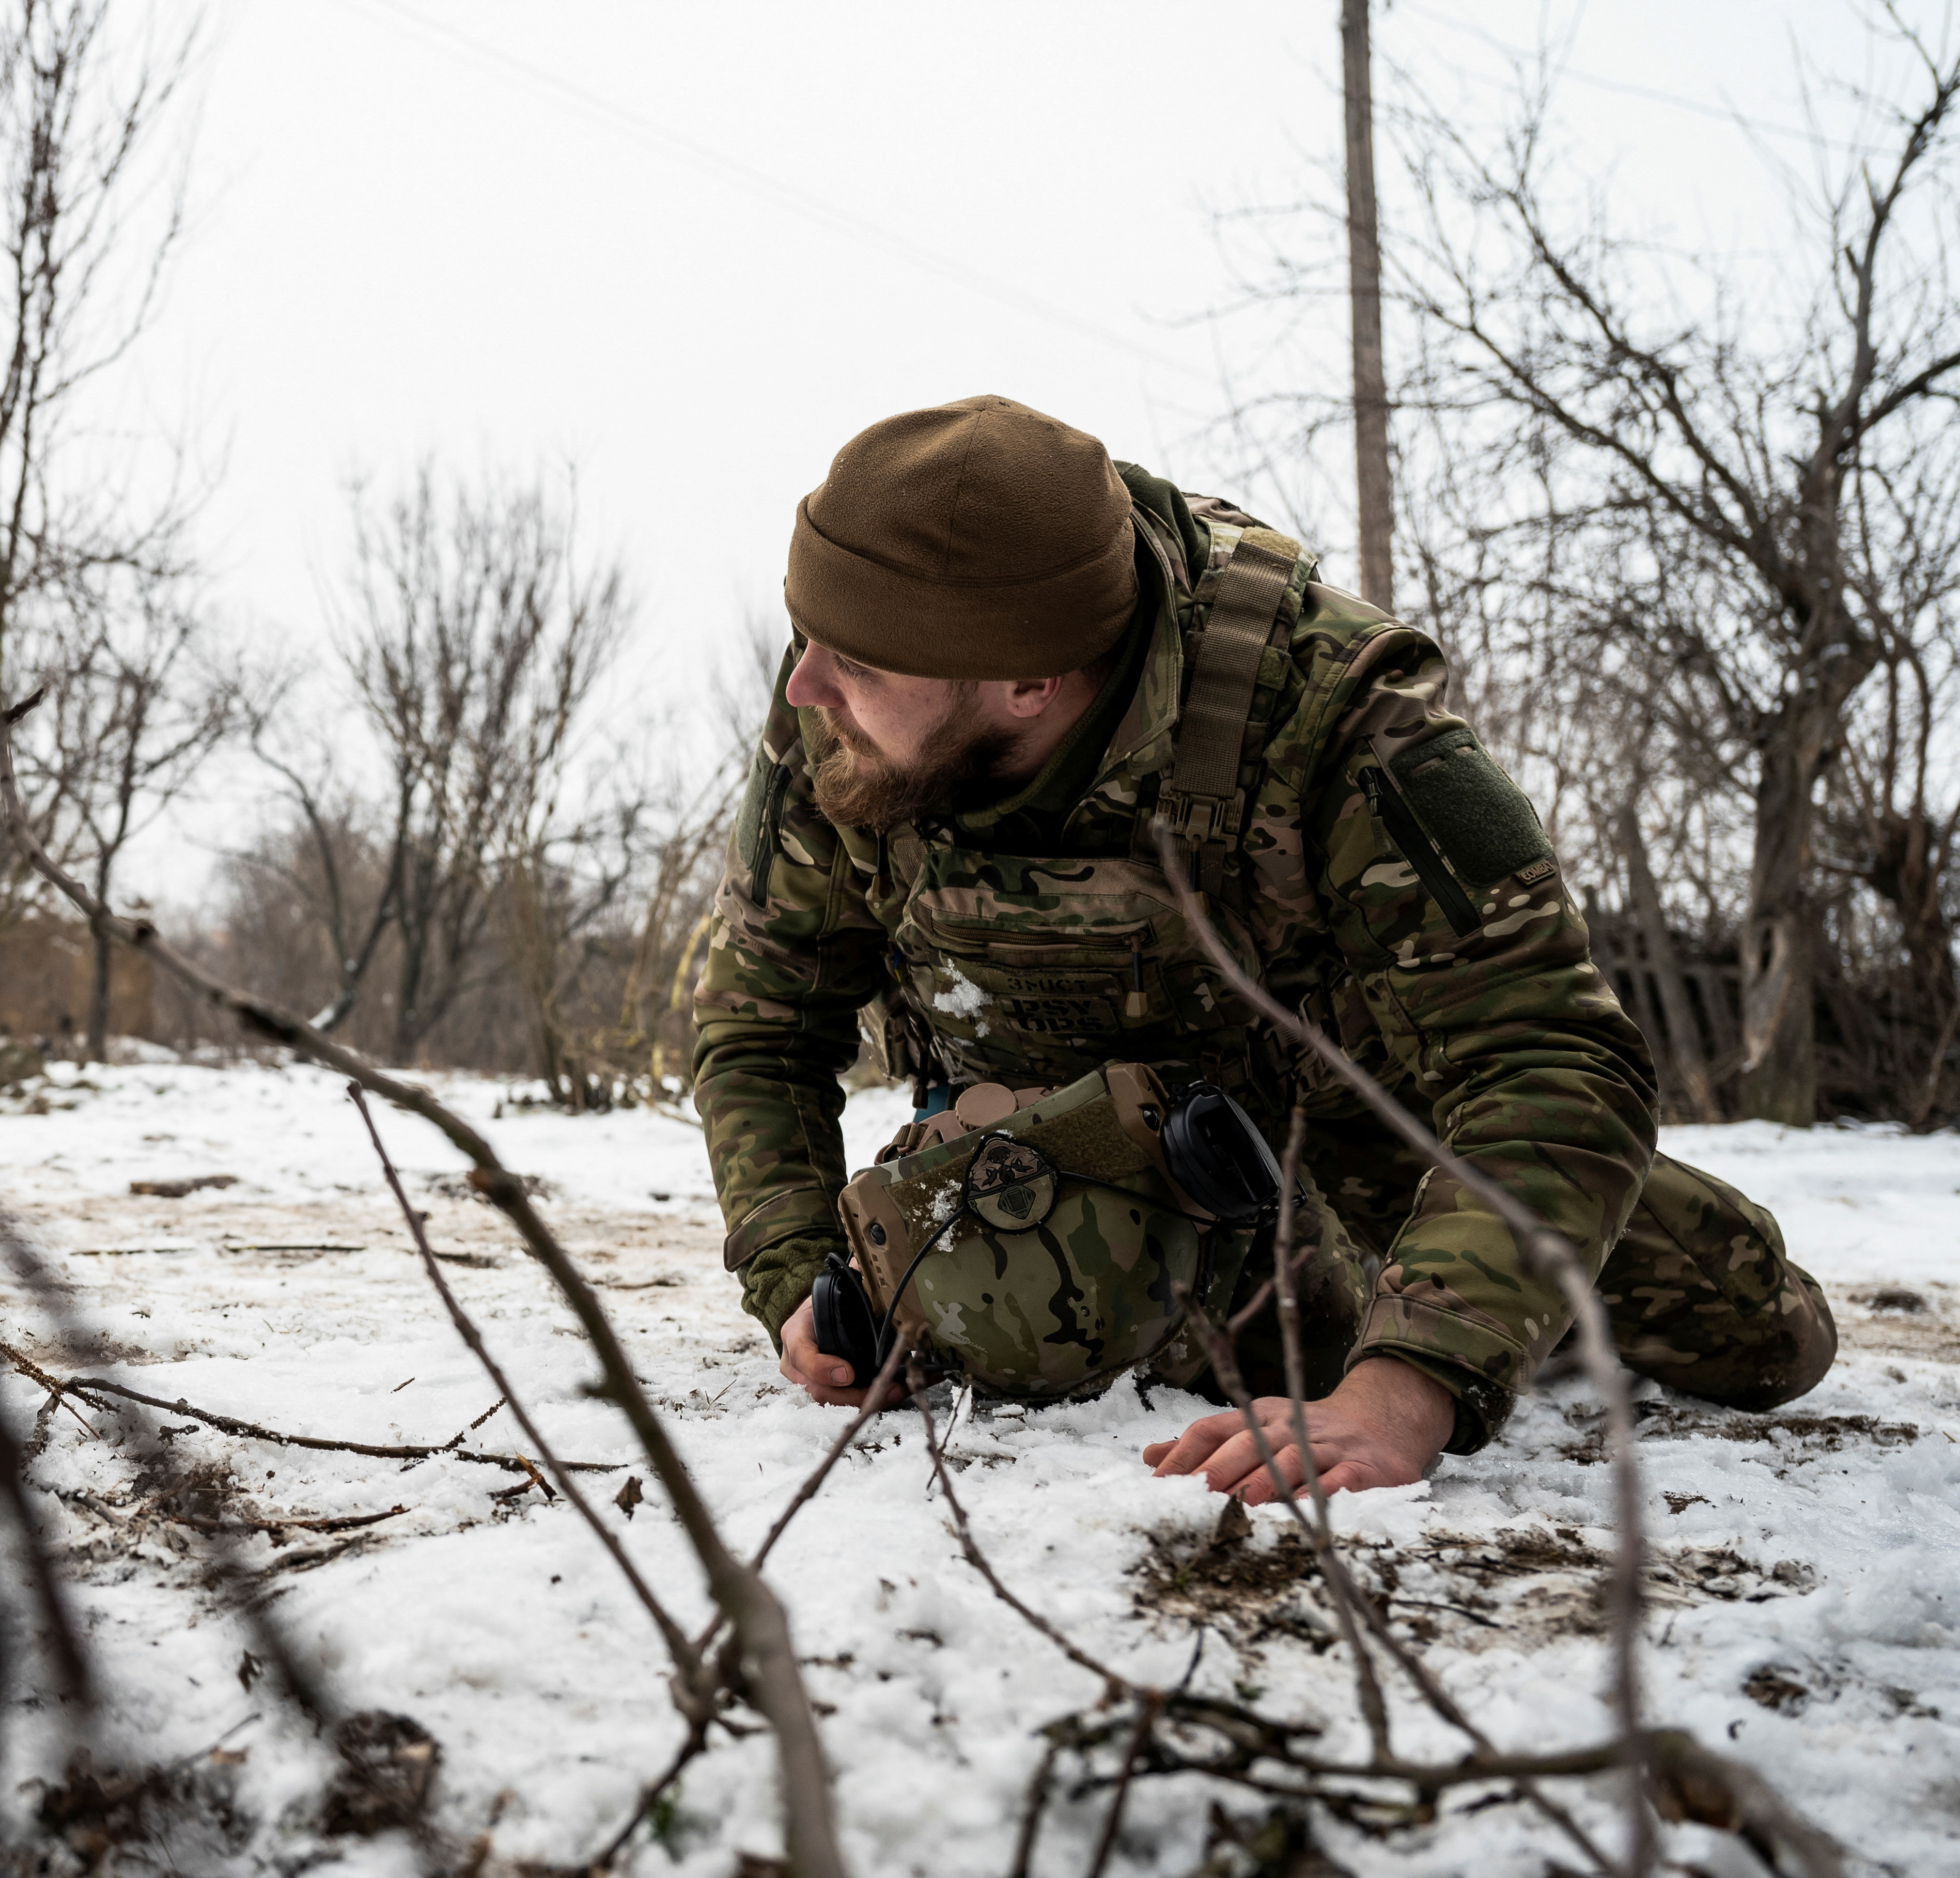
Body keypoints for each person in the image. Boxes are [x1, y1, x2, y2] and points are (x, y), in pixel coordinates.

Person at [693, 394, 1835, 1501]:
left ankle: (1470, 1296)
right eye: (812, 639)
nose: (802, 687)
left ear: (1027, 685)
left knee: (1760, 1338)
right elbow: (759, 1024)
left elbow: (1548, 1057)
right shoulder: (841, 715)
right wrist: (795, 1280)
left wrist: (1408, 1386)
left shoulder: (1338, 714)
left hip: (1351, 1136)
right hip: (1048, 1142)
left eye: (857, 665)